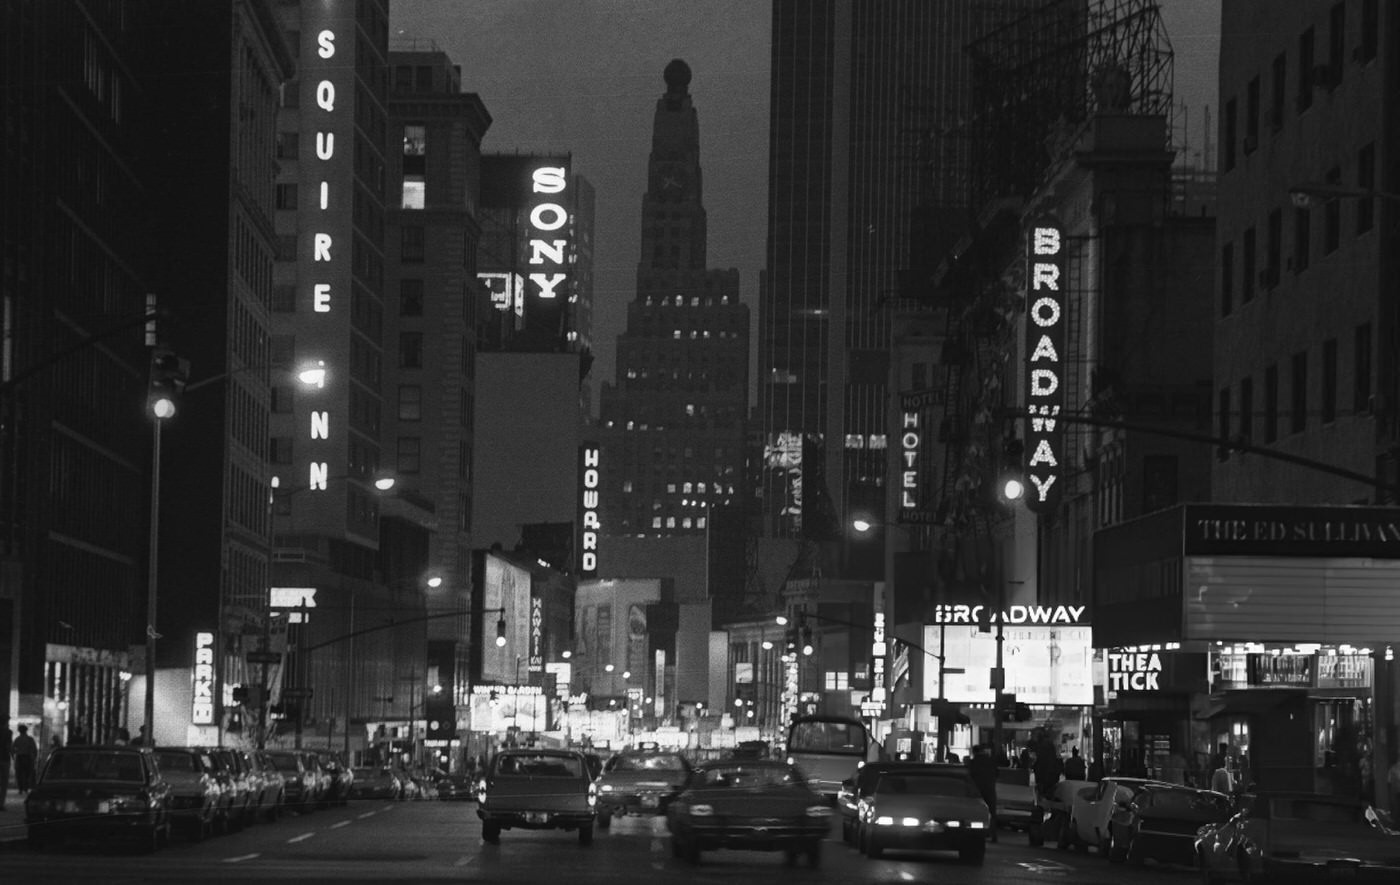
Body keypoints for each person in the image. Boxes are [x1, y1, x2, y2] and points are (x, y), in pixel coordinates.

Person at [968, 744, 999, 843]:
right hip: (990, 790)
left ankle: (976, 834)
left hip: (976, 791)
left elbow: (968, 776)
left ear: (974, 752)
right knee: (992, 813)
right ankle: (994, 835)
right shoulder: (991, 762)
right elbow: (997, 774)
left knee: (975, 813)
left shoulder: (972, 763)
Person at [12, 723, 38, 794]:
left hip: (20, 757)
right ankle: (26, 788)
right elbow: (34, 749)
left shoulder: (17, 739)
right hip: (27, 757)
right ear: (26, 730)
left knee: (19, 773)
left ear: (19, 731)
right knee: (27, 773)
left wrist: (14, 756)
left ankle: (20, 788)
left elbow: (13, 749)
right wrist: (34, 757)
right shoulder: (30, 739)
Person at [0, 720, 11, 810]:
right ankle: (1, 803)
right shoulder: (8, 732)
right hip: (4, 758)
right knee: (4, 782)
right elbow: (8, 746)